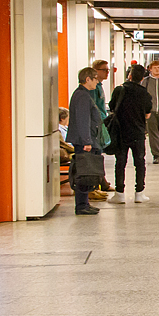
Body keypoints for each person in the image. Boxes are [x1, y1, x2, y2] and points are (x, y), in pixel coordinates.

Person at [108, 64, 152, 203]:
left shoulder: (119, 90)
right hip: (138, 132)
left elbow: (111, 106)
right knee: (139, 162)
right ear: (142, 78)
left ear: (130, 75)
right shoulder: (144, 93)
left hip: (120, 131)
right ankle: (139, 193)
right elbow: (147, 114)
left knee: (120, 162)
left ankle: (119, 193)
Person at [67, 67, 103, 216]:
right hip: (84, 142)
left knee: (87, 171)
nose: (97, 81)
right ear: (87, 79)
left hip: (85, 139)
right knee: (84, 172)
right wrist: (87, 141)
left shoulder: (84, 94)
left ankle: (85, 203)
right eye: (95, 78)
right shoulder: (82, 96)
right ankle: (81, 205)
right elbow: (83, 120)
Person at [89, 59, 114, 199]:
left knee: (98, 154)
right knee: (95, 154)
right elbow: (94, 107)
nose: (107, 72)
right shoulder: (93, 88)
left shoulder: (99, 85)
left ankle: (101, 182)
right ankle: (96, 185)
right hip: (96, 125)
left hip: (101, 122)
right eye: (104, 70)